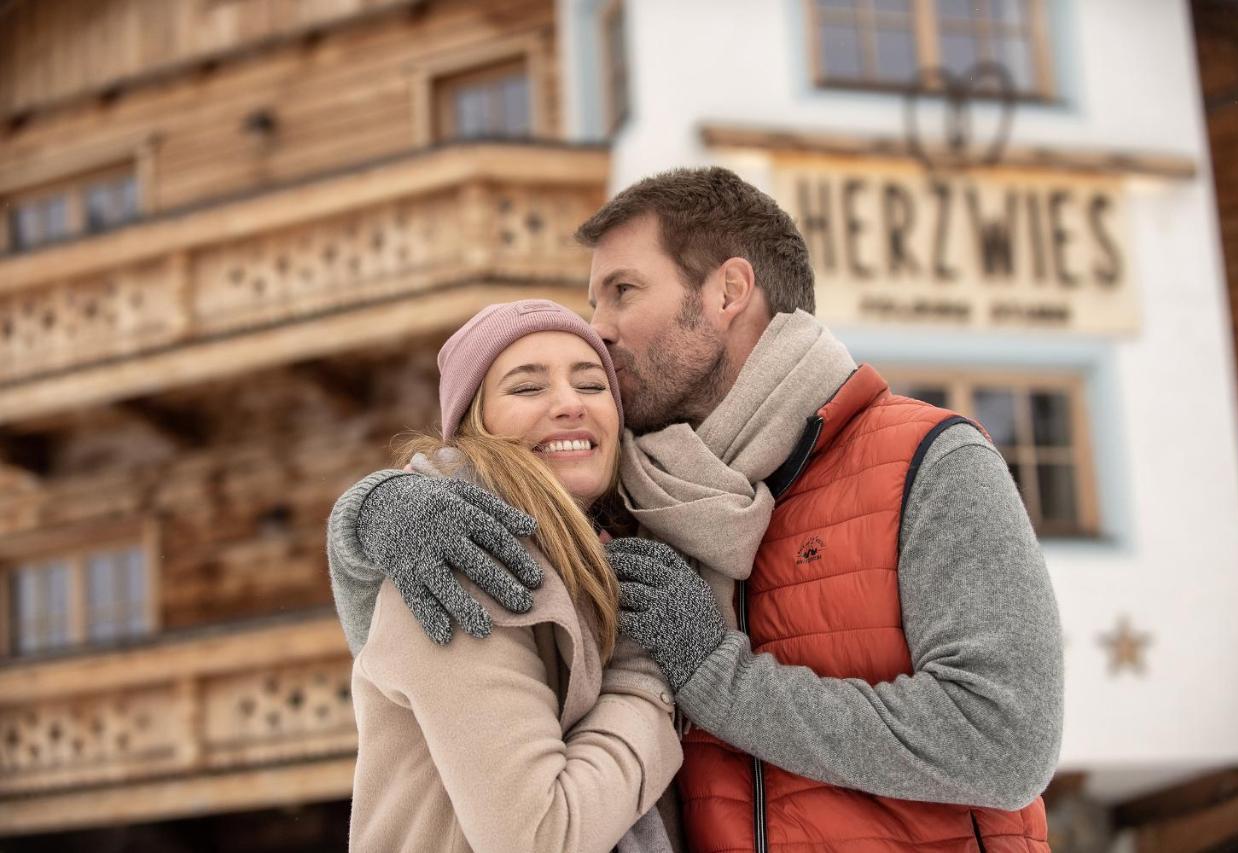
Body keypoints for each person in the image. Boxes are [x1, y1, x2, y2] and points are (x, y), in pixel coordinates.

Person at [333, 168, 1064, 852]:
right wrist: (377, 510)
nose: (602, 328)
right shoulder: (630, 497)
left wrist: (716, 673)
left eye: (622, 291)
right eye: (595, 303)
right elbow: (416, 667)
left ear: (728, 291)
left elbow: (1003, 742)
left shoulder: (924, 463)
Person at [326, 300, 684, 852]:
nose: (569, 405)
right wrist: (648, 671)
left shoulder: (601, 556)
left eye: (591, 386)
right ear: (475, 424)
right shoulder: (458, 555)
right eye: (526, 388)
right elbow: (541, 837)